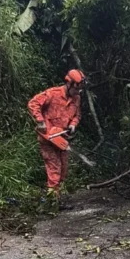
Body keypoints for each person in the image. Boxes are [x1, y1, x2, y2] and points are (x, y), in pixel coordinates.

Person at [27, 70, 84, 202]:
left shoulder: (77, 98)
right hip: (48, 139)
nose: (78, 92)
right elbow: (33, 103)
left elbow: (77, 115)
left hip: (61, 139)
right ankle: (53, 202)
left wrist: (73, 124)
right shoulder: (53, 94)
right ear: (69, 84)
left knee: (63, 170)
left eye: (79, 90)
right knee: (54, 169)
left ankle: (56, 198)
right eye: (76, 89)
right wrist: (40, 121)